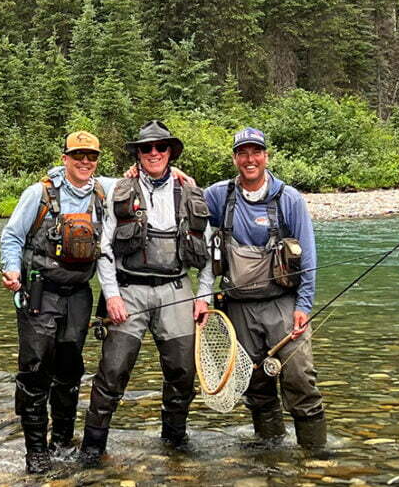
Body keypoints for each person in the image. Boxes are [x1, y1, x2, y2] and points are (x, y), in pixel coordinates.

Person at [79, 120, 213, 467]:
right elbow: (105, 249)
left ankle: (174, 441)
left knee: (183, 374)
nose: (154, 153)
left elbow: (210, 250)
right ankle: (92, 448)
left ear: (170, 152)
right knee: (112, 371)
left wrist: (205, 295)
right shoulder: (119, 191)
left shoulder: (191, 192)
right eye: (146, 148)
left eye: (161, 148)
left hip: (177, 290)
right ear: (137, 154)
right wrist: (111, 295)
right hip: (129, 292)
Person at [203, 126, 329, 455]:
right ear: (234, 158)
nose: (249, 159)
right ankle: (269, 451)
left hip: (283, 304)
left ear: (265, 156)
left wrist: (304, 304)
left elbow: (310, 256)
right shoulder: (218, 195)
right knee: (256, 385)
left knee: (299, 378)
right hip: (238, 307)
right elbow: (180, 197)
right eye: (242, 153)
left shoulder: (288, 199)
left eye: (255, 152)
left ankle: (315, 456)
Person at [0, 131, 114, 474]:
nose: (84, 162)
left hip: (79, 295)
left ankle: (62, 441)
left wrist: (178, 174)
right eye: (77, 155)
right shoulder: (39, 193)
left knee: (70, 368)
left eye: (91, 157)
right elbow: (12, 235)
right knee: (35, 371)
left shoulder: (103, 191)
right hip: (39, 291)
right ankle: (35, 451)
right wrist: (10, 270)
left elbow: (139, 178)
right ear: (65, 157)